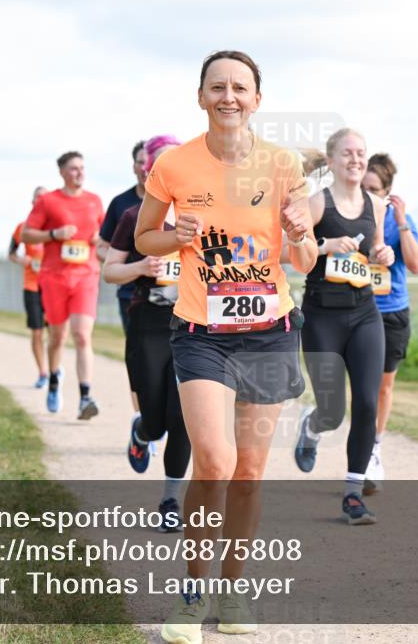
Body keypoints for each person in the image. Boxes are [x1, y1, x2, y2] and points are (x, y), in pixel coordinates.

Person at [135, 50, 315, 643]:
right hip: (202, 334)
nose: (228, 96)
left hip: (269, 333)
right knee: (214, 462)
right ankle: (192, 594)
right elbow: (144, 236)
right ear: (200, 97)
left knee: (250, 473)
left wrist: (299, 234)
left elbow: (305, 259)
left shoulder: (282, 164)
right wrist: (173, 236)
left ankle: (233, 589)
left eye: (240, 87)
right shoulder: (174, 164)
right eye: (217, 87)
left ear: (257, 99)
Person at [293, 129, 394, 525]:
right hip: (322, 317)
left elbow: (376, 251)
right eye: (347, 153)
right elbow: (290, 254)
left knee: (367, 403)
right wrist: (325, 246)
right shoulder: (316, 204)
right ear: (332, 160)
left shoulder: (377, 205)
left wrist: (382, 254)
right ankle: (312, 427)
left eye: (361, 153)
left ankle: (353, 495)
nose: (355, 159)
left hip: (365, 313)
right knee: (333, 412)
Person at [103, 151, 192, 531]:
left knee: (183, 418)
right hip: (148, 323)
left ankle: (171, 501)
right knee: (156, 422)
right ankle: (142, 431)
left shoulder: (201, 214)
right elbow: (110, 271)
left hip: (191, 325)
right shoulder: (134, 216)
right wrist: (140, 267)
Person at [21, 152, 105, 419]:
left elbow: (105, 236)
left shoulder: (94, 201)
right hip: (55, 277)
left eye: (82, 168)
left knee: (82, 335)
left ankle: (85, 397)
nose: (80, 173)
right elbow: (26, 234)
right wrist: (53, 234)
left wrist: (99, 239)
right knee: (58, 337)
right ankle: (54, 381)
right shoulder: (48, 201)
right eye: (74, 168)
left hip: (86, 275)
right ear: (62, 172)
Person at [360, 153, 418, 493]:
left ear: (387, 192)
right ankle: (319, 423)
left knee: (383, 387)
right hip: (354, 310)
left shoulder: (400, 220)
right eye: (362, 187)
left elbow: (416, 264)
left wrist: (400, 222)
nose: (365, 194)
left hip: (392, 312)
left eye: (373, 189)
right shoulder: (346, 215)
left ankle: (372, 450)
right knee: (356, 388)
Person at [96, 139, 151, 424]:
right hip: (131, 293)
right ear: (134, 167)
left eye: (151, 162)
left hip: (174, 296)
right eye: (142, 162)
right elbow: (101, 248)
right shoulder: (122, 205)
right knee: (140, 358)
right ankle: (142, 420)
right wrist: (131, 264)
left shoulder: (180, 202)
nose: (146, 168)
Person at [9, 187, 51, 388]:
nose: (41, 200)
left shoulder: (55, 227)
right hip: (32, 285)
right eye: (38, 197)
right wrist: (22, 260)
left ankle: (54, 368)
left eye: (45, 197)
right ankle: (43, 372)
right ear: (32, 201)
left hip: (53, 285)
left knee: (56, 332)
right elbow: (11, 253)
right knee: (37, 332)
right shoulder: (23, 227)